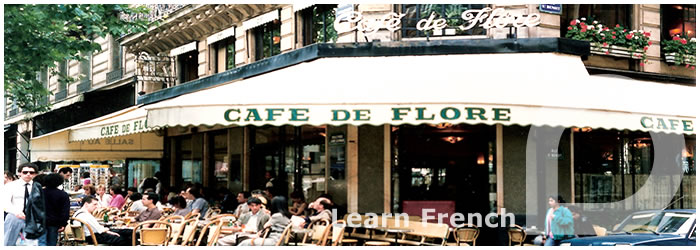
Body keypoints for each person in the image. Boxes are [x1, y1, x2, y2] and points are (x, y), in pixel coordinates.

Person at [4, 163, 43, 246]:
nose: (28, 174)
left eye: (31, 172)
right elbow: (5, 202)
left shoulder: (37, 187)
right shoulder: (11, 186)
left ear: (35, 174)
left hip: (32, 219)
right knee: (8, 242)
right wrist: (16, 212)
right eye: (25, 172)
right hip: (14, 217)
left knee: (32, 244)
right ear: (19, 173)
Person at [38, 173, 70, 246]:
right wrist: (63, 223)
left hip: (40, 221)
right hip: (55, 222)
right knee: (52, 243)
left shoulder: (40, 193)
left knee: (41, 242)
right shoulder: (63, 194)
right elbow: (65, 211)